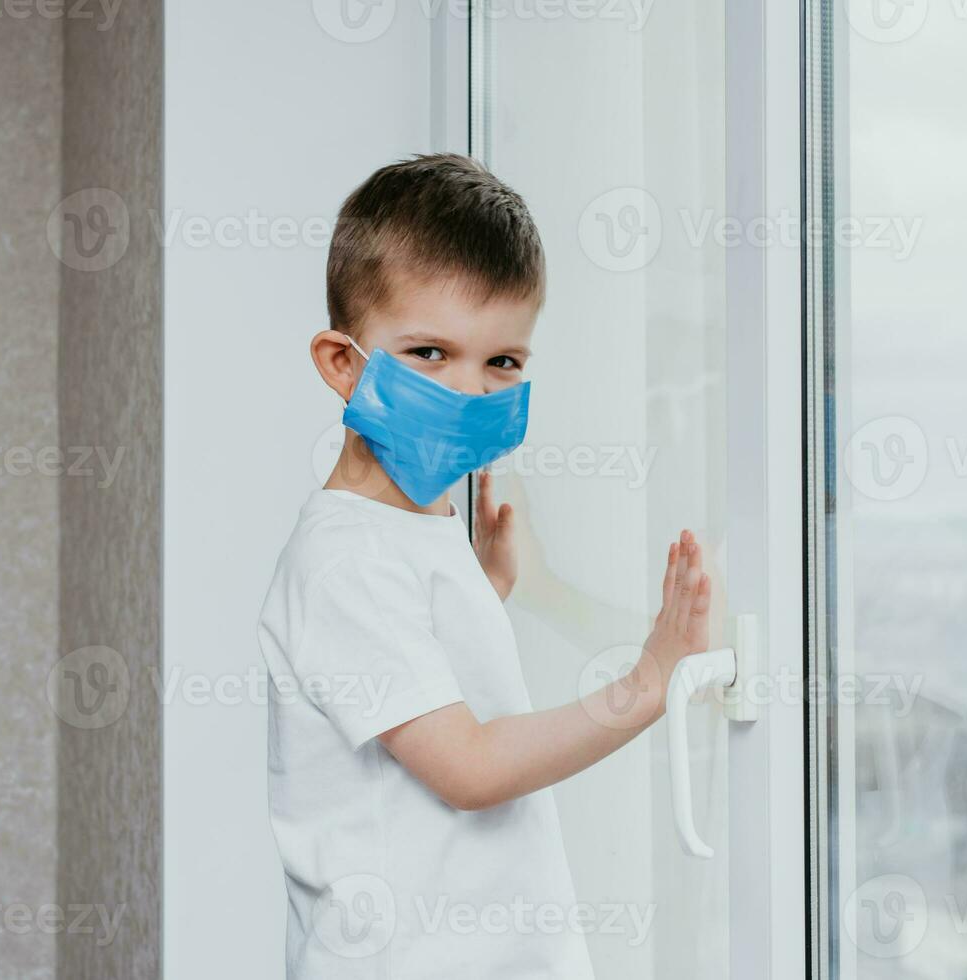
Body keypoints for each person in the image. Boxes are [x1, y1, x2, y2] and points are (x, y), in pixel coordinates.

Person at [257, 153, 711, 979]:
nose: (470, 389)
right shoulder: (345, 562)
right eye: (430, 352)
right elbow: (465, 768)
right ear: (342, 363)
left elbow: (406, 681)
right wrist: (646, 684)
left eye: (502, 362)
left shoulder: (400, 538)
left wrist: (482, 590)